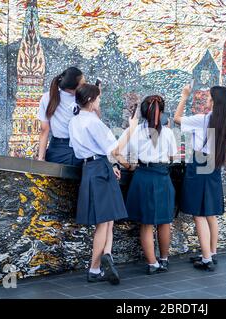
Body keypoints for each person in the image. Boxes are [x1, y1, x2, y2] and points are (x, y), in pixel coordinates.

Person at [69, 83, 137, 284]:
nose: (100, 102)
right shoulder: (93, 122)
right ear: (90, 101)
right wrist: (130, 130)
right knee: (104, 221)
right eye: (98, 99)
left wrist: (109, 165)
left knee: (107, 219)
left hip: (91, 167)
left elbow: (84, 149)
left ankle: (107, 256)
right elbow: (115, 150)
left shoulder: (74, 121)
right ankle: (95, 268)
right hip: (99, 169)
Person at [174, 85, 226, 271]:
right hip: (213, 165)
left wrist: (184, 96)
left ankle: (206, 258)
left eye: (209, 97)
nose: (206, 99)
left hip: (200, 163)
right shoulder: (225, 121)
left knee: (198, 214)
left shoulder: (202, 120)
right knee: (210, 214)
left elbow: (176, 119)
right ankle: (212, 252)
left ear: (214, 101)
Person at [121, 95, 178, 275]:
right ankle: (164, 259)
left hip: (142, 176)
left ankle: (152, 264)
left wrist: (130, 166)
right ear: (160, 113)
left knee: (146, 224)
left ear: (144, 112)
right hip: (162, 176)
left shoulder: (135, 131)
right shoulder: (168, 133)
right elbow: (173, 158)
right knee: (164, 222)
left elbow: (120, 154)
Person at [37, 67, 86, 165]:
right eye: (82, 84)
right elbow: (44, 130)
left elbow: (44, 130)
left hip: (56, 149)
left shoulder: (47, 97)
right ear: (72, 89)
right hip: (71, 148)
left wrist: (41, 159)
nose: (85, 86)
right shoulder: (81, 98)